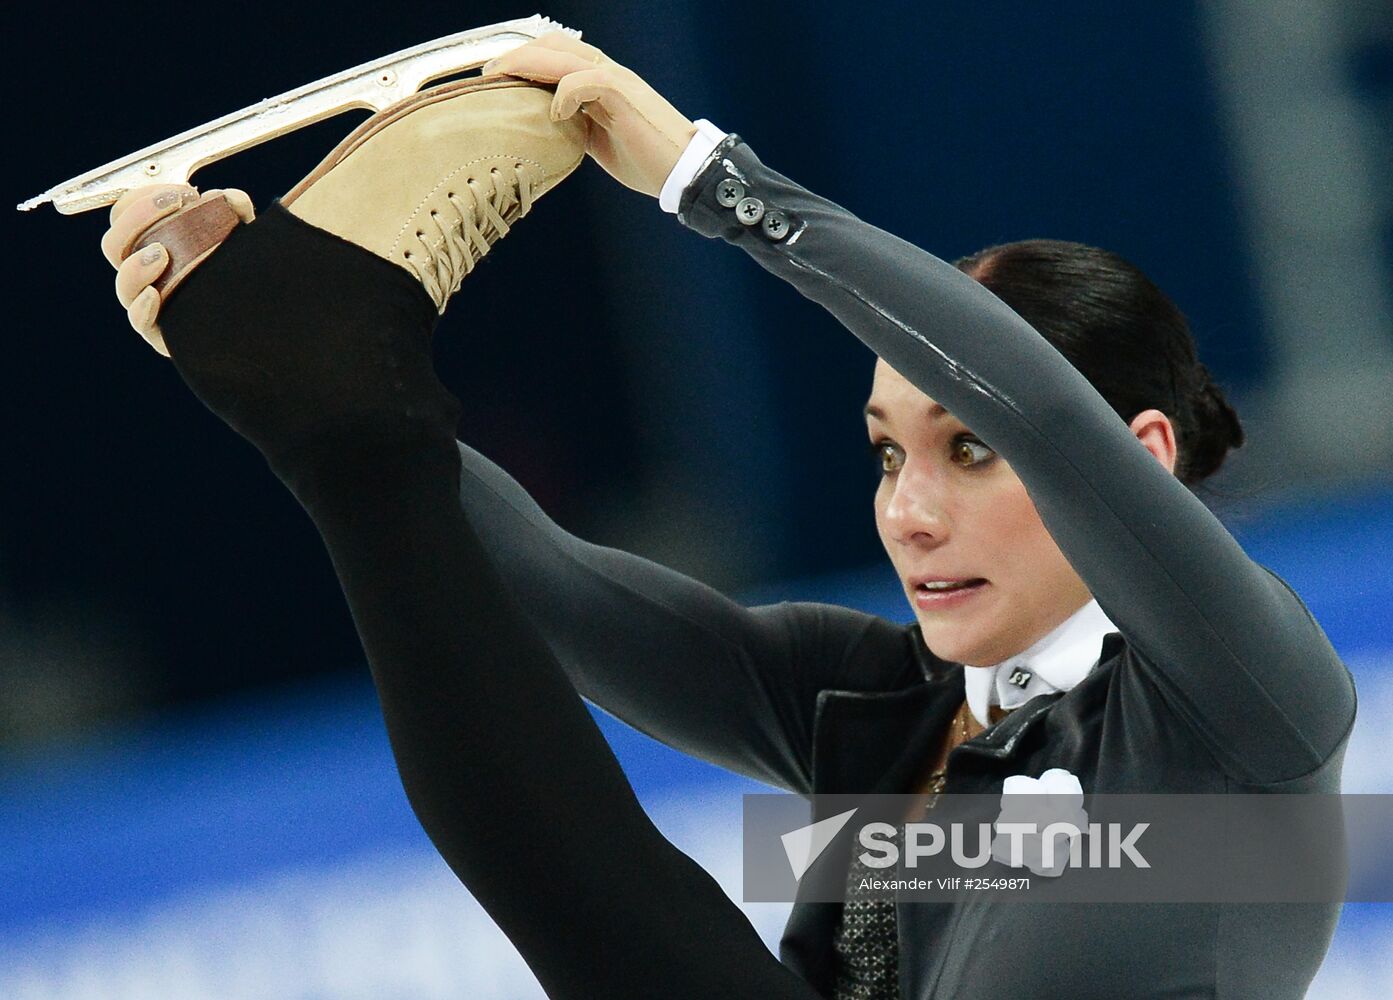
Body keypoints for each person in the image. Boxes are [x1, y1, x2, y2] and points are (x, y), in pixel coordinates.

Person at [101, 31, 1356, 1000]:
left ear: (1144, 458)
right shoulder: (872, 713)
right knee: (564, 864)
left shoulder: (1248, 712)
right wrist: (298, 398)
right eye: (881, 457)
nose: (909, 515)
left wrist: (715, 183)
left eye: (966, 451)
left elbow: (1047, 410)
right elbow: (542, 590)